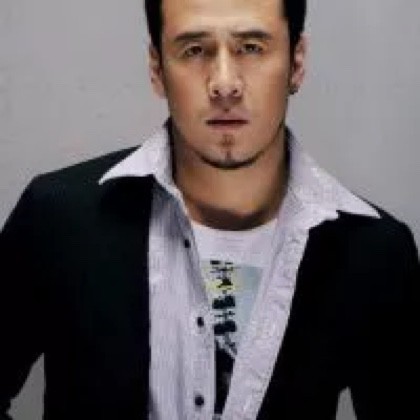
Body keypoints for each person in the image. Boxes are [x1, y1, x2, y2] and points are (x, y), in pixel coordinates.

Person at [1, 0, 419, 419]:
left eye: (251, 47)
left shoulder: (374, 251)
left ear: (296, 63)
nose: (224, 84)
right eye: (195, 50)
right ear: (156, 68)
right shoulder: (58, 218)